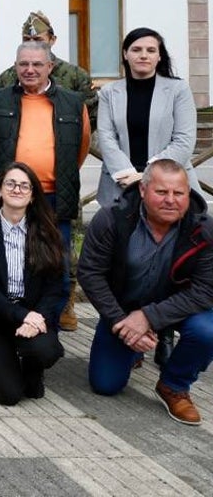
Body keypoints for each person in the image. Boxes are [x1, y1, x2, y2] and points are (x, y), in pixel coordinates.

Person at [78, 159, 213, 426]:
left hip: (178, 308)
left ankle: (174, 385)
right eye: (161, 192)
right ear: (143, 190)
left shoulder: (205, 229)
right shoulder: (111, 219)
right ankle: (134, 348)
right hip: (124, 310)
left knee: (207, 331)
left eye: (179, 193)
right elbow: (90, 274)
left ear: (188, 193)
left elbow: (206, 290)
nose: (170, 200)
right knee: (106, 384)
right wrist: (120, 323)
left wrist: (148, 318)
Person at [0, 40, 90, 331]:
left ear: (50, 66)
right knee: (11, 263)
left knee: (54, 266)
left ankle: (48, 328)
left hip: (54, 197)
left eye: (37, 64)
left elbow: (81, 147)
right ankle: (13, 324)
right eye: (23, 64)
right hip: (11, 198)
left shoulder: (72, 102)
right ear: (15, 67)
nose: (30, 70)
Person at [0, 162, 66, 406]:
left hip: (30, 317)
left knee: (45, 353)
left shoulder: (47, 232)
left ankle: (30, 364)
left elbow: (54, 288)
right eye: (10, 183)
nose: (17, 189)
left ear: (32, 195)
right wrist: (22, 314)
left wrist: (36, 317)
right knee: (9, 395)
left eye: (24, 186)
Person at [96, 28, 197, 208]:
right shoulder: (108, 92)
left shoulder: (178, 90)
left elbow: (184, 140)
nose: (143, 55)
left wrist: (149, 175)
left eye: (151, 50)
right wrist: (127, 175)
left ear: (159, 56)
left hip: (169, 185)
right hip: (121, 184)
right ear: (125, 54)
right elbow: (106, 138)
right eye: (136, 50)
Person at [0, 10, 97, 126]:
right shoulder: (7, 78)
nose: (32, 44)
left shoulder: (76, 76)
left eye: (38, 40)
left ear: (52, 40)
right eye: (26, 40)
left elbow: (91, 117)